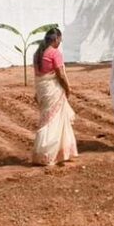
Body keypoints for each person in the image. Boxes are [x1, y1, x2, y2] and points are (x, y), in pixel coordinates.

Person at [30, 28, 78, 166]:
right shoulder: (54, 53)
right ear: (56, 39)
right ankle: (50, 153)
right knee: (54, 120)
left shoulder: (38, 53)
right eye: (60, 39)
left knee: (46, 119)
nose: (60, 41)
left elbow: (39, 76)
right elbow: (60, 74)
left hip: (42, 90)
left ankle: (48, 153)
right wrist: (67, 88)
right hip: (53, 90)